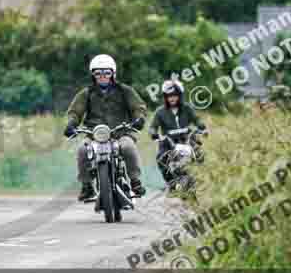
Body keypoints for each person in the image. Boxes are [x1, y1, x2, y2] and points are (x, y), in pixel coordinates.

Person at [64, 54, 147, 202]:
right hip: (94, 134)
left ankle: (135, 181)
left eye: (106, 73)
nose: (102, 76)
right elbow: (75, 111)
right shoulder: (87, 93)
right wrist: (71, 124)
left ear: (112, 73)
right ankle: (87, 186)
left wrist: (139, 119)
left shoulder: (124, 90)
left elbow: (138, 107)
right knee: (83, 150)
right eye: (98, 73)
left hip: (120, 131)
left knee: (128, 147)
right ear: (93, 75)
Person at [149, 79, 207, 188]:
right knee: (160, 158)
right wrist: (154, 133)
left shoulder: (187, 108)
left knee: (200, 155)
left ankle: (201, 180)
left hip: (187, 139)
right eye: (169, 95)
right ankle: (170, 183)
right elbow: (153, 127)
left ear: (180, 96)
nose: (172, 98)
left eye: (174, 95)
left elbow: (197, 120)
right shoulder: (160, 112)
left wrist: (202, 128)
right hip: (168, 142)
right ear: (165, 97)